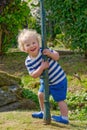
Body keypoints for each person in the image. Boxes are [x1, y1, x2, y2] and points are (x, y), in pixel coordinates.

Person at [18, 29, 69, 124]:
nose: (32, 46)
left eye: (34, 43)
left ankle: (64, 117)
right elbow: (33, 75)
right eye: (28, 45)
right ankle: (43, 112)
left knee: (60, 99)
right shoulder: (28, 61)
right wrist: (41, 67)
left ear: (38, 43)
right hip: (46, 81)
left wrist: (50, 53)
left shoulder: (44, 51)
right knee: (41, 95)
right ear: (24, 49)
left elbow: (57, 57)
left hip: (58, 80)